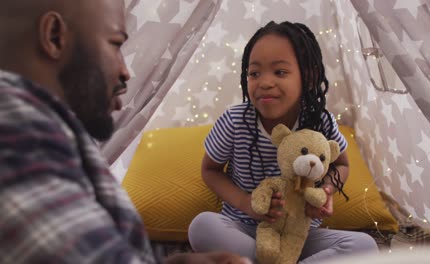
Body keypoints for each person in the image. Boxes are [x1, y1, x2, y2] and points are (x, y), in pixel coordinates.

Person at [0, 0, 251, 263]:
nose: (125, 71)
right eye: (115, 44)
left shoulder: (50, 131)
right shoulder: (17, 126)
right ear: (54, 36)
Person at [188, 21, 379, 262]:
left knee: (365, 245)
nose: (264, 82)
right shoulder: (234, 121)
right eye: (254, 73)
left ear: (308, 77)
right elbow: (210, 170)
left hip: (300, 236)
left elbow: (342, 165)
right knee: (201, 226)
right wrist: (246, 203)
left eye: (279, 72)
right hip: (244, 229)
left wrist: (326, 192)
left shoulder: (321, 122)